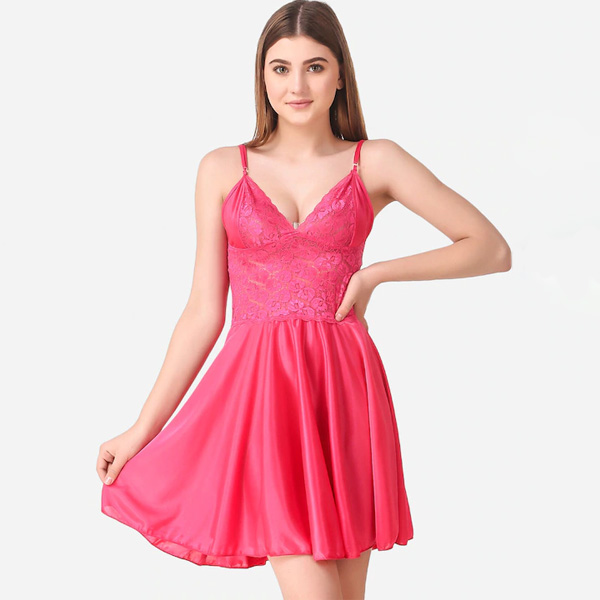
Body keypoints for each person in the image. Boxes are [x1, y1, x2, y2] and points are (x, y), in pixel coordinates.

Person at [97, 1, 511, 598]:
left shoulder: (375, 161)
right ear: (262, 77)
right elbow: (204, 311)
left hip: (343, 391)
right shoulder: (222, 169)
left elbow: (490, 248)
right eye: (280, 68)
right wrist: (141, 429)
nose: (297, 86)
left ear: (340, 74)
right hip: (262, 397)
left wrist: (374, 276)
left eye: (314, 67)